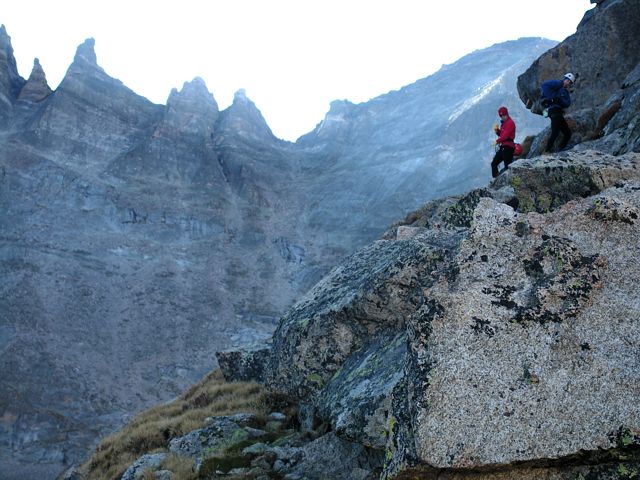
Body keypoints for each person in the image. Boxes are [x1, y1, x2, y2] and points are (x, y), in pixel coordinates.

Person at [541, 73, 575, 152]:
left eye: (569, 82)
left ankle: (559, 149)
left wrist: (559, 99)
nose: (567, 83)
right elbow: (544, 85)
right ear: (564, 79)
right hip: (553, 110)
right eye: (567, 80)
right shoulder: (557, 84)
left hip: (557, 112)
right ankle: (547, 151)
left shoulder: (565, 91)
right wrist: (551, 98)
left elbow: (567, 103)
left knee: (567, 133)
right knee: (556, 132)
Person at [491, 106, 516, 178]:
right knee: (494, 163)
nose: (503, 117)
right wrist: (497, 131)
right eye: (501, 116)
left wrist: (497, 141)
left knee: (507, 165)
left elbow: (505, 136)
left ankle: (512, 181)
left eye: (504, 115)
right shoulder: (504, 123)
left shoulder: (510, 123)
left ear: (507, 114)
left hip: (508, 147)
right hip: (504, 146)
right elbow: (502, 135)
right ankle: (495, 180)